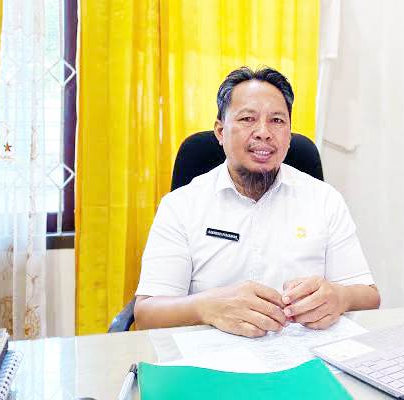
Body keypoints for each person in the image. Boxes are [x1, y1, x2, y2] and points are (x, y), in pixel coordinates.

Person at [134, 66, 380, 337]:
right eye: (248, 119)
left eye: (277, 120)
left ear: (289, 134)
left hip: (305, 354)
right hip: (212, 356)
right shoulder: (181, 206)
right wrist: (206, 307)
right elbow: (146, 314)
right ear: (220, 131)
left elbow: (369, 297)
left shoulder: (325, 200)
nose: (263, 132)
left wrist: (339, 297)